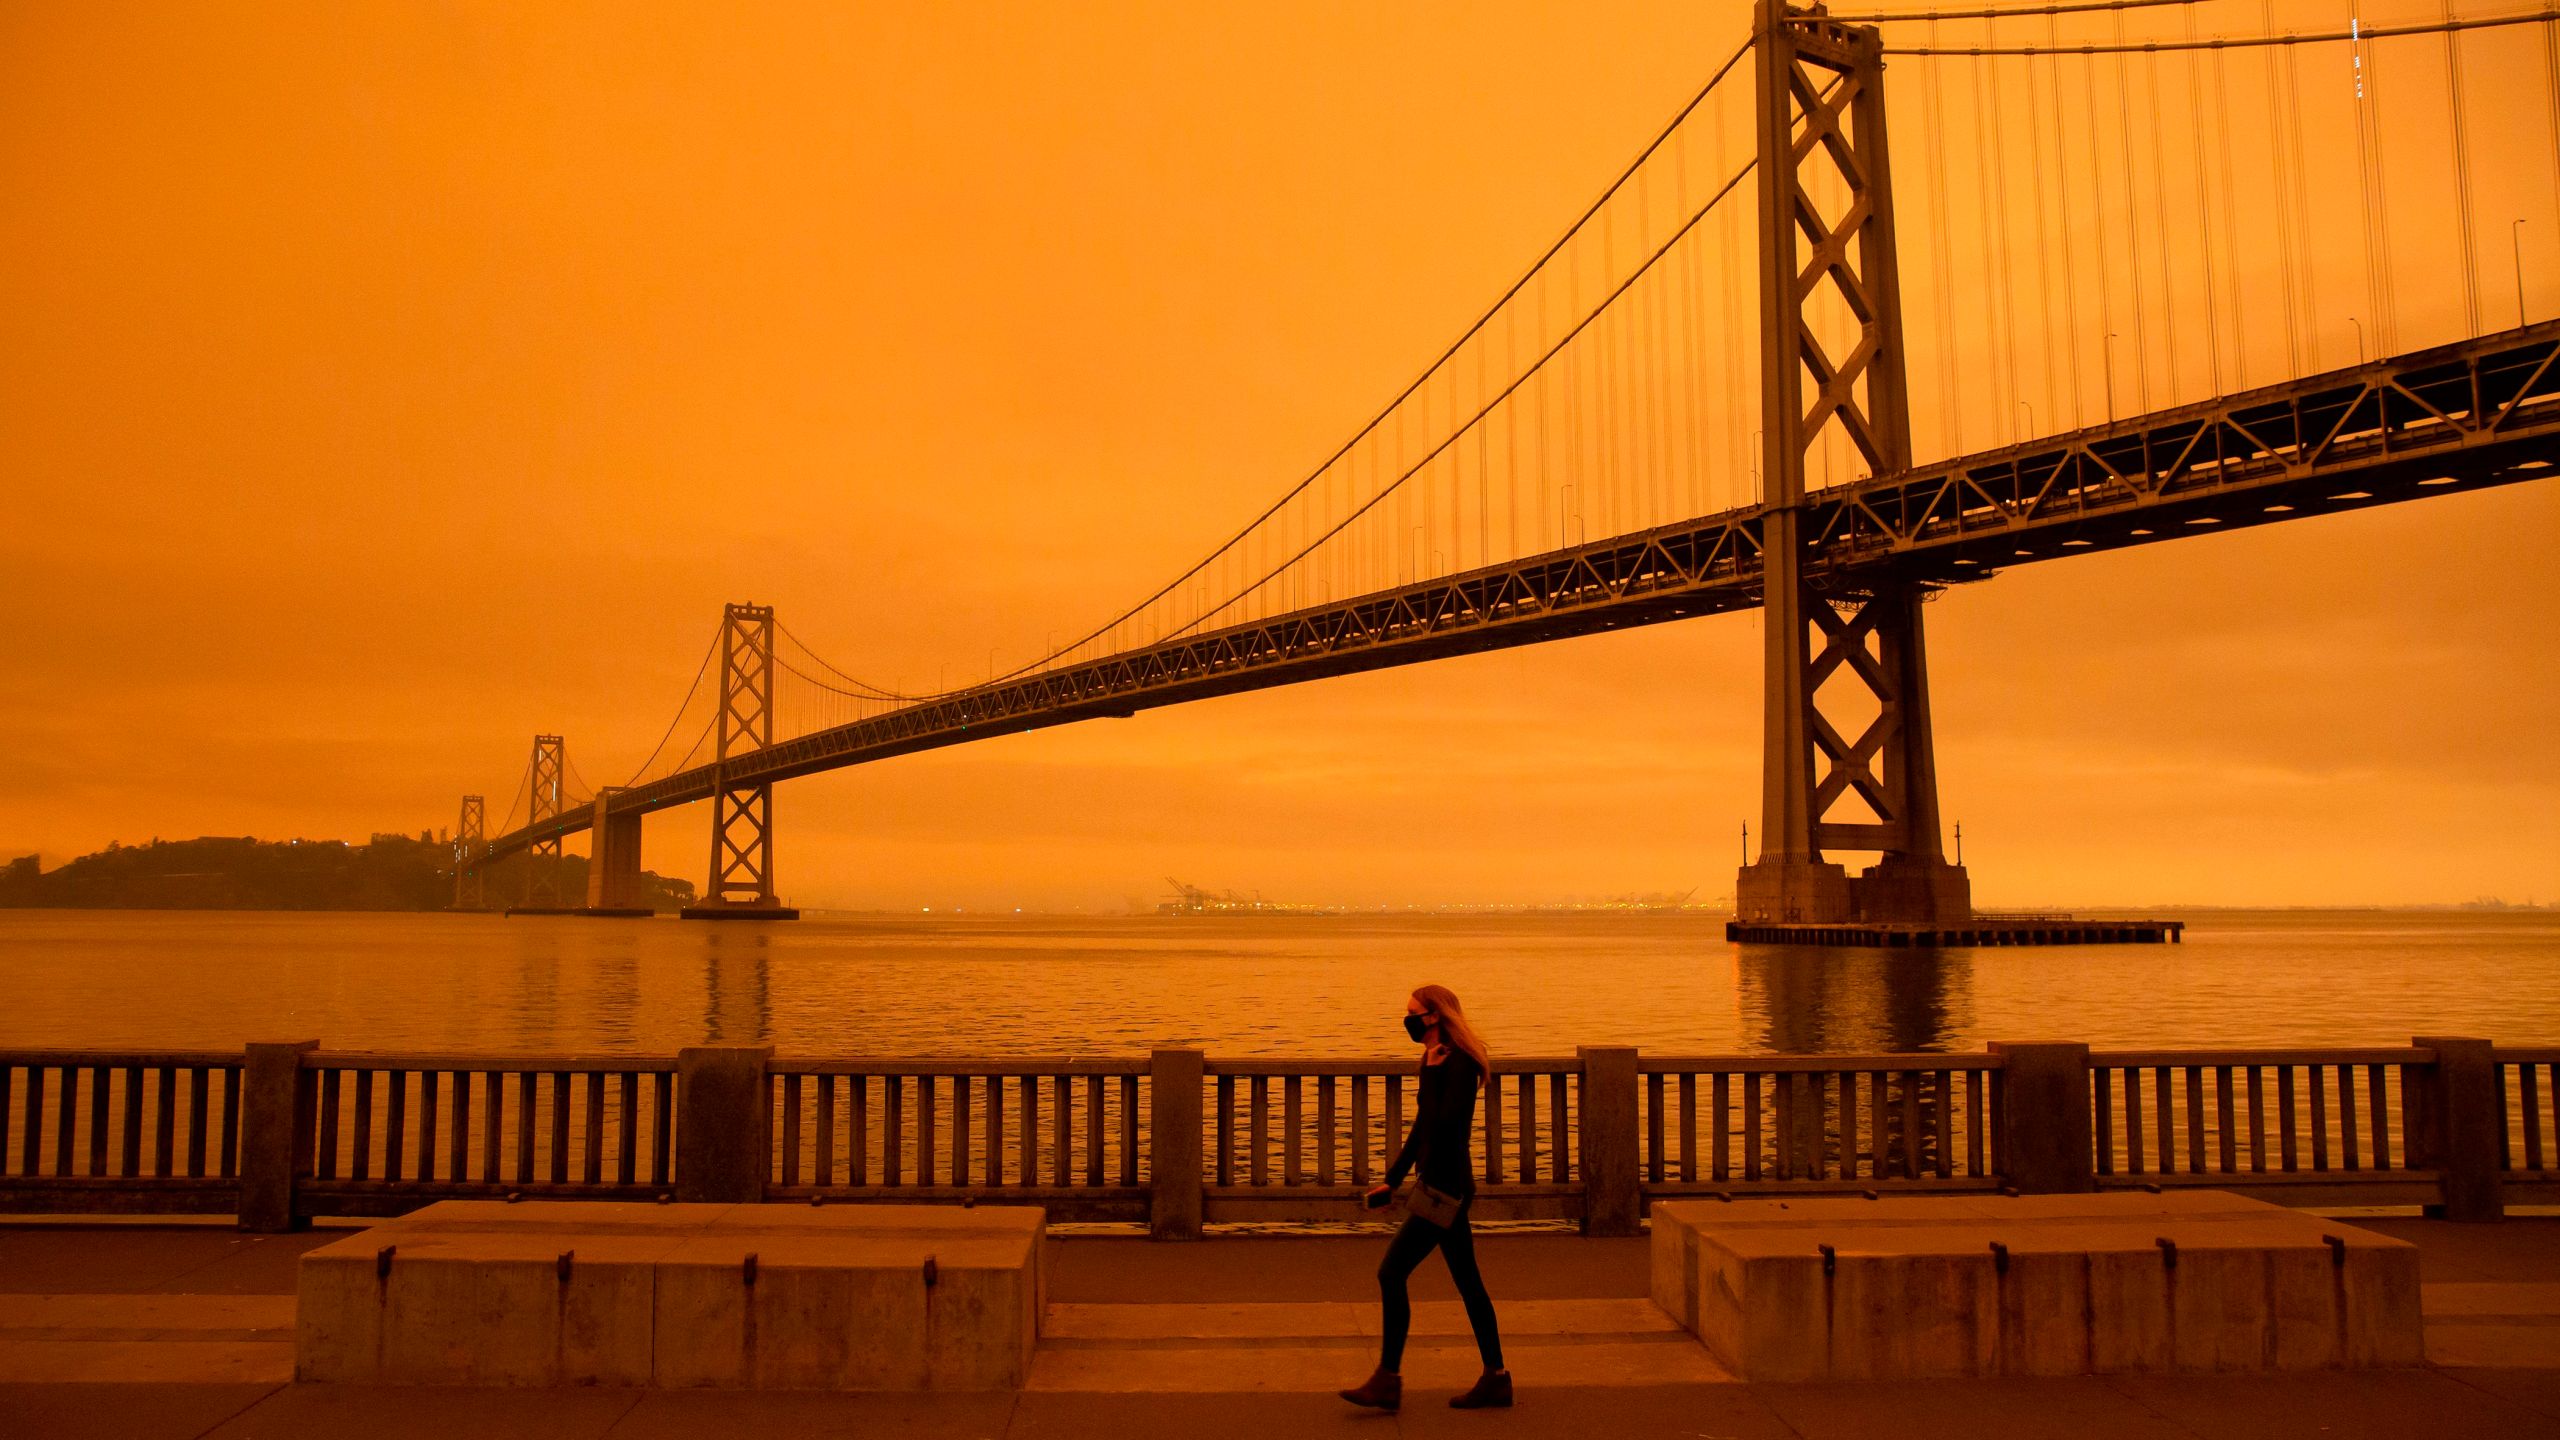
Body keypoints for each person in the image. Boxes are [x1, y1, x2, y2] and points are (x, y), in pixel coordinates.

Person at [1338, 983, 1511, 1412]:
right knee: (1468, 1283)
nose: (1408, 1019)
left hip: (1445, 1188)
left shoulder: (1458, 1063)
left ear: (1434, 1016)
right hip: (1439, 1183)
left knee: (1391, 1273)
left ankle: (1387, 1380)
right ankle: (1497, 1378)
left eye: (1414, 1012)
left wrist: (1432, 1074)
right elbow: (1421, 1128)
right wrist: (1392, 1180)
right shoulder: (1435, 1060)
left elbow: (1447, 1124)